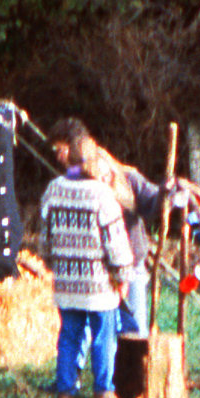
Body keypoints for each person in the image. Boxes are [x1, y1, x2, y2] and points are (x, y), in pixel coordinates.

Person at [43, 119, 137, 398]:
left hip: (67, 283)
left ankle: (65, 395)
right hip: (99, 287)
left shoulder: (53, 190)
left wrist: (53, 263)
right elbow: (117, 244)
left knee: (69, 336)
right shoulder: (102, 195)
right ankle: (103, 393)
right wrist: (123, 276)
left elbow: (45, 241)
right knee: (102, 337)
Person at [82, 140, 162, 337]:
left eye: (106, 175)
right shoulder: (86, 194)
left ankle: (136, 365)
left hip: (133, 263)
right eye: (97, 178)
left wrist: (165, 194)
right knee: (103, 329)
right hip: (100, 268)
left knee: (136, 328)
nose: (104, 180)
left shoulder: (129, 180)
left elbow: (152, 202)